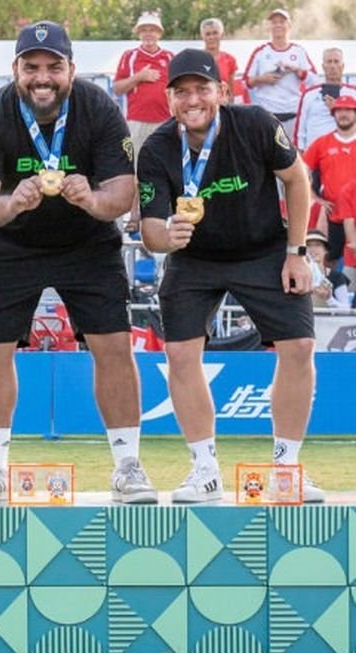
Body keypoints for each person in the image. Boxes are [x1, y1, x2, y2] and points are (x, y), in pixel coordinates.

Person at [0, 21, 157, 505]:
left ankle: (129, 466)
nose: (42, 78)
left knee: (114, 345)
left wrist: (92, 199)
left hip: (86, 241)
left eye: (54, 67)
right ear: (16, 69)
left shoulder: (98, 108)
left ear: (71, 68)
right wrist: (11, 203)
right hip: (11, 241)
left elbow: (122, 193)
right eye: (32, 67)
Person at [138, 48, 322, 503]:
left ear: (222, 91)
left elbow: (297, 179)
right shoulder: (157, 148)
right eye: (181, 92)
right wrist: (166, 236)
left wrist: (296, 253)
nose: (192, 100)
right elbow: (150, 231)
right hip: (194, 258)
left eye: (202, 89)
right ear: (169, 98)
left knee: (299, 347)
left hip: (263, 249)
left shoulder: (255, 123)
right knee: (180, 354)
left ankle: (286, 470)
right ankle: (204, 470)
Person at [303, 95, 356, 268]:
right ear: (333, 114)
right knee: (329, 258)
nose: (344, 114)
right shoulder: (322, 143)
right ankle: (330, 286)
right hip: (334, 213)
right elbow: (301, 171)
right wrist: (314, 197)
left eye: (348, 110)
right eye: (339, 110)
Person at [243, 8, 317, 131]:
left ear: (289, 26)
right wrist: (261, 79)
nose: (278, 25)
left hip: (293, 114)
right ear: (269, 27)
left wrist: (296, 70)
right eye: (274, 22)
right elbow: (245, 82)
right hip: (266, 114)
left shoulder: (299, 51)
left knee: (292, 144)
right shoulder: (260, 52)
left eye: (282, 22)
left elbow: (314, 80)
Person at [113, 11, 173, 160]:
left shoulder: (169, 57)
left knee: (164, 163)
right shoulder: (129, 56)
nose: (148, 34)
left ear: (159, 33)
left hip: (165, 120)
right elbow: (117, 89)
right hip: (136, 121)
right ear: (139, 33)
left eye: (152, 30)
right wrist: (138, 77)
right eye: (144, 30)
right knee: (136, 163)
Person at [293, 49, 354, 151]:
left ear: (342, 66)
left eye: (336, 61)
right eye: (329, 62)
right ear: (323, 67)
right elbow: (300, 131)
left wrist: (337, 110)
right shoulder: (309, 94)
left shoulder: (353, 93)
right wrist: (300, 153)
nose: (332, 66)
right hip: (314, 152)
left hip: (345, 151)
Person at [309, 230, 351, 307]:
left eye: (318, 245)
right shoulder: (294, 276)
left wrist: (329, 299)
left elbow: (346, 308)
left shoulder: (337, 277)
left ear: (326, 250)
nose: (312, 249)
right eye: (308, 245)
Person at [200, 19, 238, 101]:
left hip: (222, 104)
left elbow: (230, 91)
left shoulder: (230, 60)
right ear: (202, 36)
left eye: (215, 33)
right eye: (208, 34)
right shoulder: (196, 59)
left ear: (221, 35)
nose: (211, 37)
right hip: (203, 103)